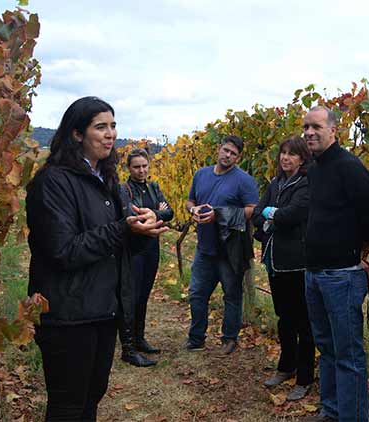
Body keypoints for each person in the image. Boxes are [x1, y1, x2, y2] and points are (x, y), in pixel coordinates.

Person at [26, 96, 168, 420]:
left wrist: (142, 231)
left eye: (113, 126)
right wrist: (123, 229)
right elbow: (63, 250)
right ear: (77, 134)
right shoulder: (53, 182)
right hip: (68, 315)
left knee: (91, 399)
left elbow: (118, 245)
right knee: (68, 405)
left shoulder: (105, 179)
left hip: (103, 309)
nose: (111, 134)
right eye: (100, 127)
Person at [302, 106, 369, 422]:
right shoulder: (315, 168)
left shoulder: (349, 167)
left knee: (348, 355)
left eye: (316, 126)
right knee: (326, 349)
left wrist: (356, 252)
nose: (309, 132)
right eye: (306, 127)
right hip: (313, 273)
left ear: (334, 130)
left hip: (342, 277)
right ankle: (332, 410)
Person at [251, 136, 315, 401]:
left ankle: (304, 377)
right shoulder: (276, 183)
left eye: (292, 154)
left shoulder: (306, 183)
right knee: (284, 318)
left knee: (304, 323)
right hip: (274, 261)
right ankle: (286, 367)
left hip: (297, 263)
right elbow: (255, 213)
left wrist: (269, 213)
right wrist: (270, 212)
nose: (285, 158)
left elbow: (294, 214)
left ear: (302, 158)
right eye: (283, 153)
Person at [185, 135, 259, 354]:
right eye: (226, 150)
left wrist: (220, 215)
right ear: (219, 149)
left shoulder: (244, 180)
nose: (228, 155)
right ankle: (196, 338)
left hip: (230, 250)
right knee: (197, 293)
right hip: (204, 247)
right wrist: (193, 210)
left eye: (233, 153)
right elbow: (191, 201)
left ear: (238, 157)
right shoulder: (201, 174)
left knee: (232, 295)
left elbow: (252, 209)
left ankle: (229, 339)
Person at [120, 148, 174, 360]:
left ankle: (139, 338)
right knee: (130, 298)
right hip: (133, 250)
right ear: (129, 168)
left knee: (144, 295)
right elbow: (131, 216)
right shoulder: (124, 189)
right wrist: (156, 213)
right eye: (136, 167)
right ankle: (129, 347)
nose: (141, 170)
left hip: (151, 248)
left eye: (144, 166)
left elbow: (169, 212)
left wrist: (155, 213)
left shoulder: (153, 187)